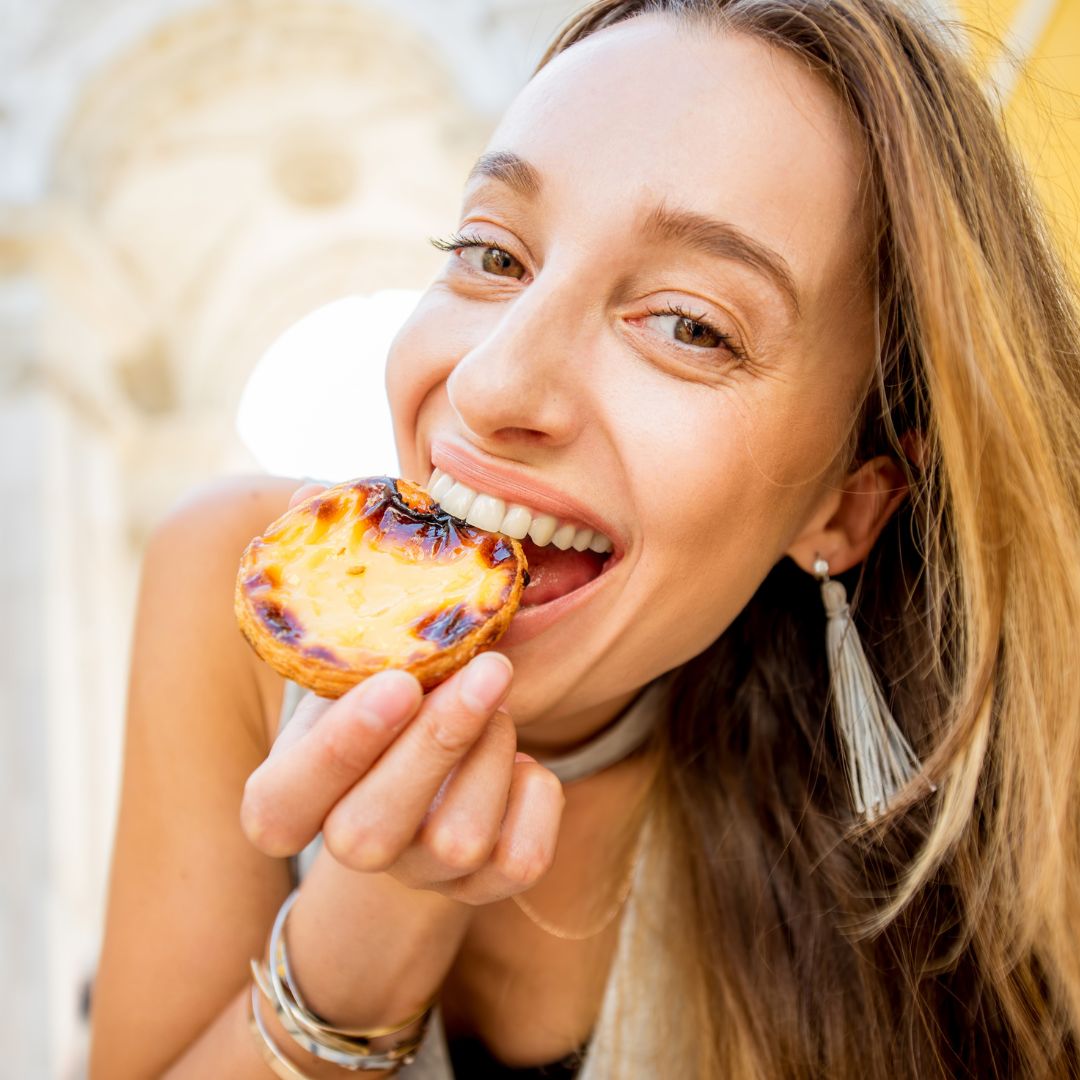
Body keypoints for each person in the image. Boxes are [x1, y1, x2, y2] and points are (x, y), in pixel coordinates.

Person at [88, 0, 1080, 1076]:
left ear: (845, 506)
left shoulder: (992, 894)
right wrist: (367, 920)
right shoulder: (235, 586)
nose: (491, 381)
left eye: (691, 324)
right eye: (492, 253)